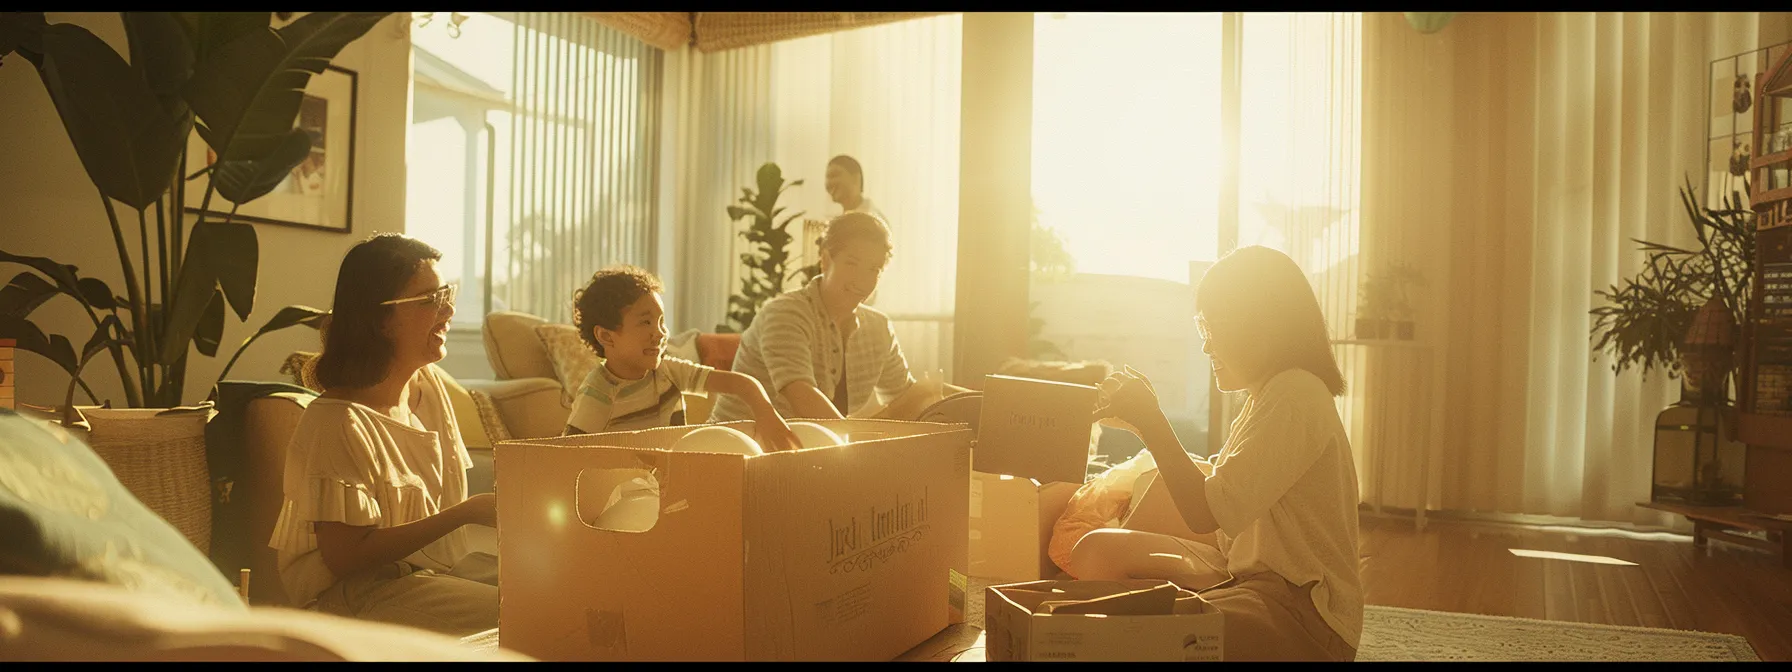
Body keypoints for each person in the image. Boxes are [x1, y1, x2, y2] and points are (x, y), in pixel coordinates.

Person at [1069, 245, 1362, 662]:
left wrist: (1153, 422)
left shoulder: (1295, 395)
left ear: (1261, 327)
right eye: (1202, 327)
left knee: (1148, 636)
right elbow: (1220, 513)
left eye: (1213, 327)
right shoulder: (1266, 396)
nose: (1207, 347)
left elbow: (1207, 513)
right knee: (1096, 551)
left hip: (1304, 617)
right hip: (1246, 577)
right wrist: (1141, 424)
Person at [269, 234, 497, 636]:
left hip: (426, 576)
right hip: (353, 598)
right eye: (430, 301)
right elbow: (345, 558)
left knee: (561, 589)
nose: (449, 311)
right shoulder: (337, 422)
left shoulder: (429, 388)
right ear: (381, 320)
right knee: (527, 616)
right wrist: (467, 512)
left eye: (446, 294)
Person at [713, 212, 961, 422]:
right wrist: (904, 406)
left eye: (874, 269)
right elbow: (810, 412)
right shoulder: (786, 314)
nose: (862, 279)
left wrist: (980, 399)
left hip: (803, 457)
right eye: (852, 263)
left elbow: (908, 396)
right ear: (825, 260)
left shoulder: (878, 327)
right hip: (733, 453)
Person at [562, 265, 801, 452]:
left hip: (673, 478)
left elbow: (743, 384)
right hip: (626, 492)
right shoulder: (598, 393)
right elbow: (567, 454)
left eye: (661, 321)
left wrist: (766, 415)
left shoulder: (668, 372)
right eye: (645, 322)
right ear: (606, 336)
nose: (660, 333)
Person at [824, 154, 887, 223]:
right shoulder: (836, 220)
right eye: (828, 178)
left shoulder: (873, 222)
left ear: (856, 179)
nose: (829, 183)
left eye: (834, 175)